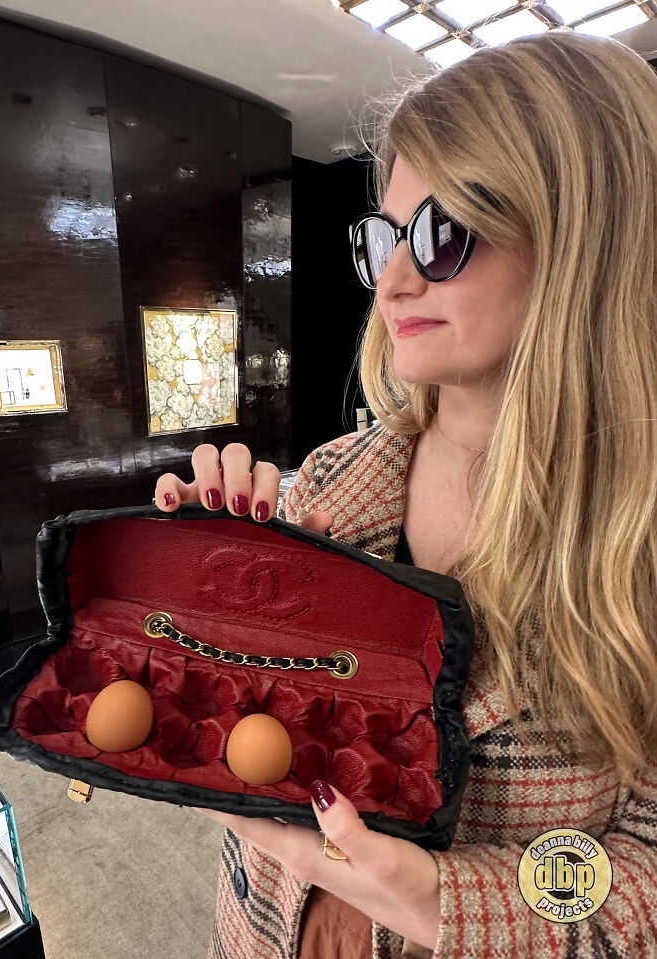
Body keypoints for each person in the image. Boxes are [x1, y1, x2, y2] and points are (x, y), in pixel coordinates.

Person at [154, 29, 657, 959]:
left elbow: (647, 869)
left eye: (443, 233)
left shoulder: (643, 552)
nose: (392, 280)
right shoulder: (333, 480)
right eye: (385, 235)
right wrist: (216, 599)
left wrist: (438, 899)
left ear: (589, 236)